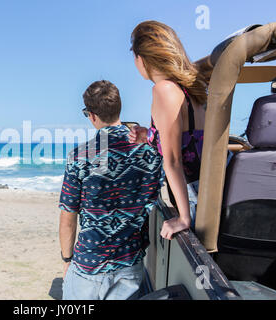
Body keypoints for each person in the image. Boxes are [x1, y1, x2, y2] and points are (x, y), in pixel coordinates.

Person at [59, 80, 162, 300]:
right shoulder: (150, 153)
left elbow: (68, 217)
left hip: (89, 265)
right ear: (118, 109)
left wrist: (67, 260)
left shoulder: (80, 156)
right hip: (130, 264)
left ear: (92, 116)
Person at [128, 21, 207, 238]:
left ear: (141, 59)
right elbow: (188, 140)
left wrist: (183, 218)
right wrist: (149, 136)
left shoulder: (164, 91)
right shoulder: (190, 88)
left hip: (194, 198)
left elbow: (173, 161)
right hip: (210, 192)